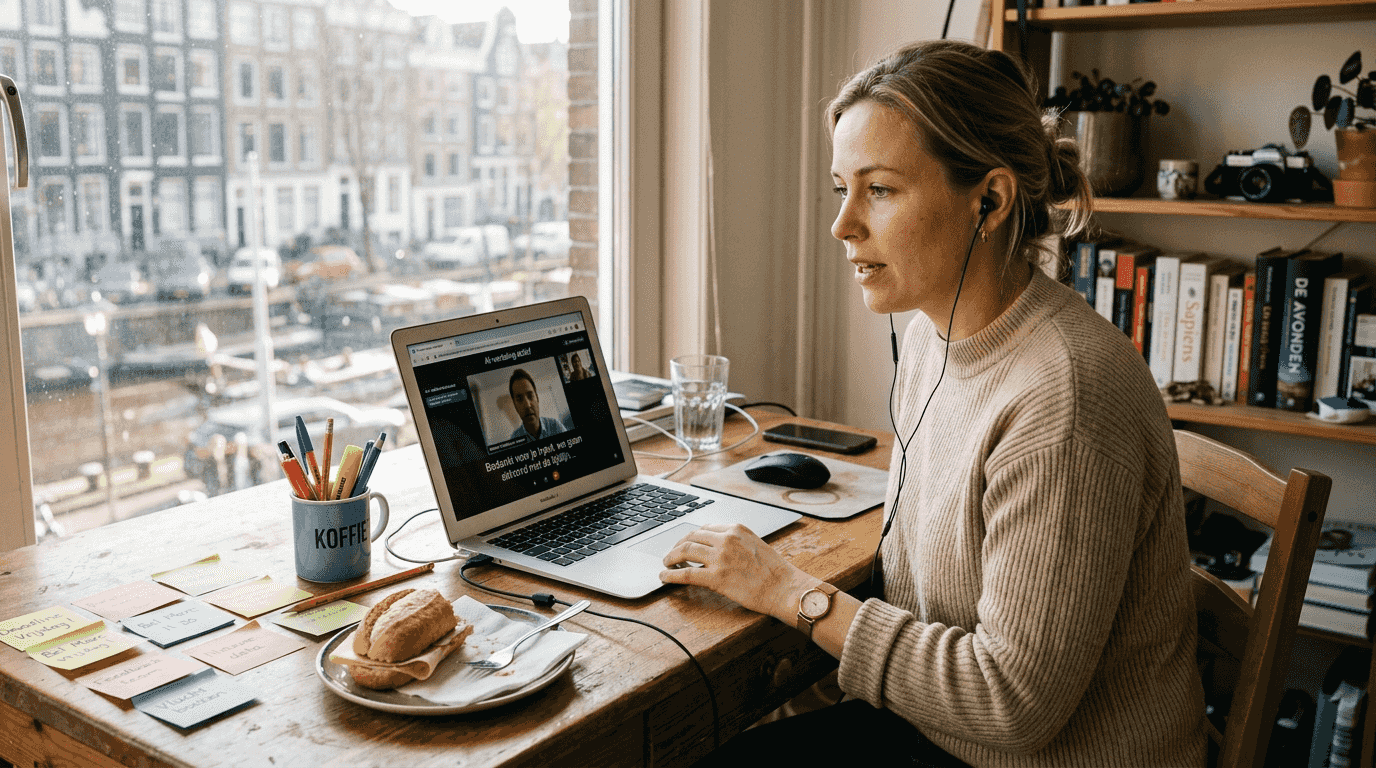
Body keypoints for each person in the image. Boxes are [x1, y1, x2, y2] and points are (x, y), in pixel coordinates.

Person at [660, 40, 1206, 767]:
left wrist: (792, 591)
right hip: (940, 735)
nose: (843, 225)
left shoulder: (1065, 396)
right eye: (840, 189)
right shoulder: (930, 338)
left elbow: (1012, 704)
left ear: (990, 199)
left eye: (879, 190)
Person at [507, 368, 566, 442]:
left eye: (530, 396)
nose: (527, 405)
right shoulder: (514, 440)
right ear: (515, 406)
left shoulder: (556, 426)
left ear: (537, 398)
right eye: (520, 399)